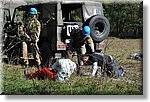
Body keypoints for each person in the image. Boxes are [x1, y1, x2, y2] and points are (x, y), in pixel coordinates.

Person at [19, 8, 41, 75]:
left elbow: (38, 32)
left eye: (34, 15)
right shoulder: (25, 21)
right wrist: (27, 36)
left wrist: (36, 40)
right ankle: (26, 66)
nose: (32, 16)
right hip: (26, 39)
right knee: (24, 50)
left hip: (33, 40)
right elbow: (21, 30)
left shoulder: (37, 23)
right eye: (31, 15)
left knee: (36, 53)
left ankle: (39, 67)